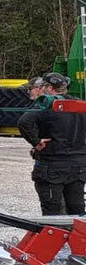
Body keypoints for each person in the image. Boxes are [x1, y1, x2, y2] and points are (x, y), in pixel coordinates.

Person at [17, 72, 86, 216]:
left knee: (52, 214)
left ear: (49, 88)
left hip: (52, 166)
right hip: (79, 166)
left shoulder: (47, 105)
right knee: (77, 212)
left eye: (42, 87)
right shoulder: (79, 105)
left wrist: (36, 142)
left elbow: (24, 122)